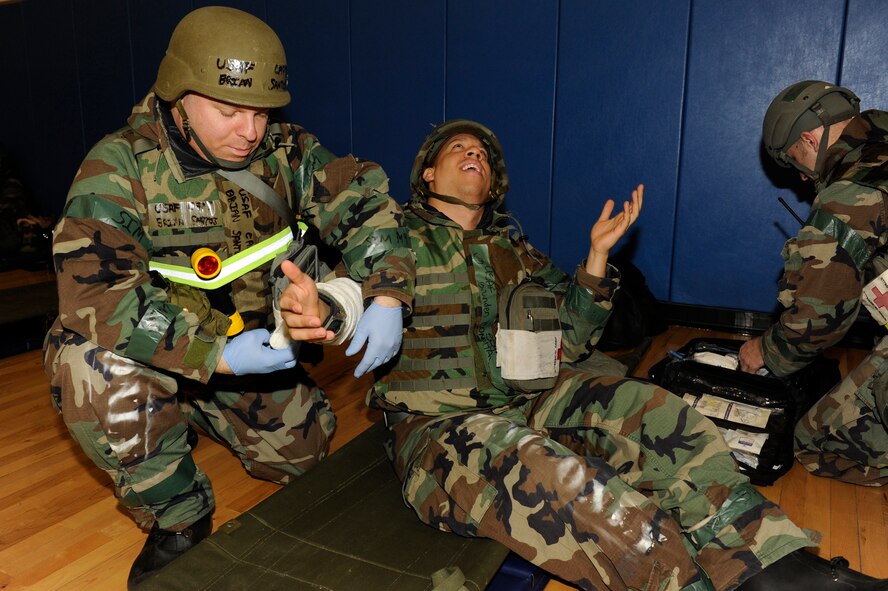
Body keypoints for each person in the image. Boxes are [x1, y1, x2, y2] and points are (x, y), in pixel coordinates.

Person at [352, 119, 885, 591]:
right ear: (427, 175)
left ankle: (774, 565)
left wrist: (596, 259)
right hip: (441, 427)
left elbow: (574, 342)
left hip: (530, 400)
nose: (475, 156)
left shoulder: (514, 250)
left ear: (494, 184)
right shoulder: (391, 238)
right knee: (567, 484)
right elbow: (339, 304)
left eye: (484, 155)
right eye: (459, 148)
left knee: (662, 414)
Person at [42, 6, 413, 588]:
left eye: (263, 112)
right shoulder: (118, 167)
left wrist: (387, 295)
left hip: (251, 351)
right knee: (86, 362)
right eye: (229, 110)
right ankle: (179, 517)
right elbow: (95, 291)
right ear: (176, 94)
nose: (250, 131)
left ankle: (181, 412)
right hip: (159, 353)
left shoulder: (286, 154)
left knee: (304, 454)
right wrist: (213, 353)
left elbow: (365, 204)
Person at [740, 80, 888, 487]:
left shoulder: (850, 192)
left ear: (809, 137)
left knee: (815, 440)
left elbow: (820, 317)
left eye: (797, 160)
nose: (804, 179)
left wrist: (765, 351)